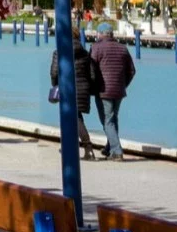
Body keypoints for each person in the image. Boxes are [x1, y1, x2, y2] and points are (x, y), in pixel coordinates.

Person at [49, 23, 100, 157]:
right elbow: (92, 75)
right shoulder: (84, 53)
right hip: (83, 89)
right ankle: (69, 146)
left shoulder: (59, 51)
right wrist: (89, 89)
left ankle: (87, 146)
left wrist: (55, 86)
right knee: (75, 117)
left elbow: (54, 72)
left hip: (67, 89)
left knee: (74, 118)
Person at [89, 20, 136, 159]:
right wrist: (123, 84)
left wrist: (92, 86)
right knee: (113, 118)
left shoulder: (96, 48)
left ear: (100, 34)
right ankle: (109, 147)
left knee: (107, 121)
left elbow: (91, 69)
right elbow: (132, 71)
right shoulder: (123, 48)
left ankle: (117, 151)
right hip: (119, 90)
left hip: (103, 90)